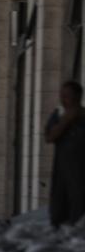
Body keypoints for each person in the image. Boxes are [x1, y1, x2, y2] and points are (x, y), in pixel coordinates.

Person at [45, 80, 85, 227]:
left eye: (67, 96)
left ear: (77, 97)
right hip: (61, 172)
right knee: (59, 212)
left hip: (81, 172)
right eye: (61, 95)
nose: (63, 99)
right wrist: (66, 120)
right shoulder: (58, 115)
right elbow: (49, 137)